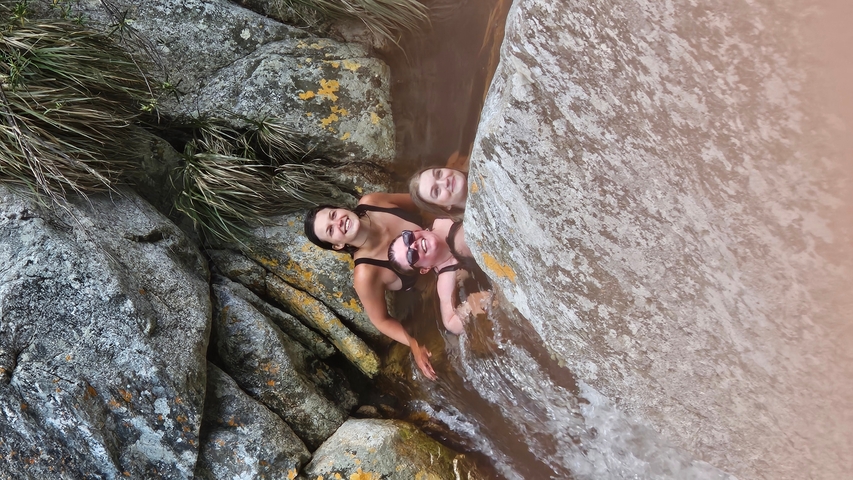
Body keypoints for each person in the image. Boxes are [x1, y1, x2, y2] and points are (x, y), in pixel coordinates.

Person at [304, 193, 437, 380]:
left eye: (333, 215)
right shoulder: (366, 275)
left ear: (340, 208)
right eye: (330, 231)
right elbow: (381, 320)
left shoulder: (373, 202)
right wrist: (414, 343)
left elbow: (421, 200)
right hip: (437, 283)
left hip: (444, 236)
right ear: (337, 245)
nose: (338, 223)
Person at [387, 218, 491, 335]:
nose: (413, 245)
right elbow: (450, 323)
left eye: (408, 238)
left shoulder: (443, 217)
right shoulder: (447, 278)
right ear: (425, 269)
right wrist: (479, 300)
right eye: (411, 256)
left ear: (415, 231)